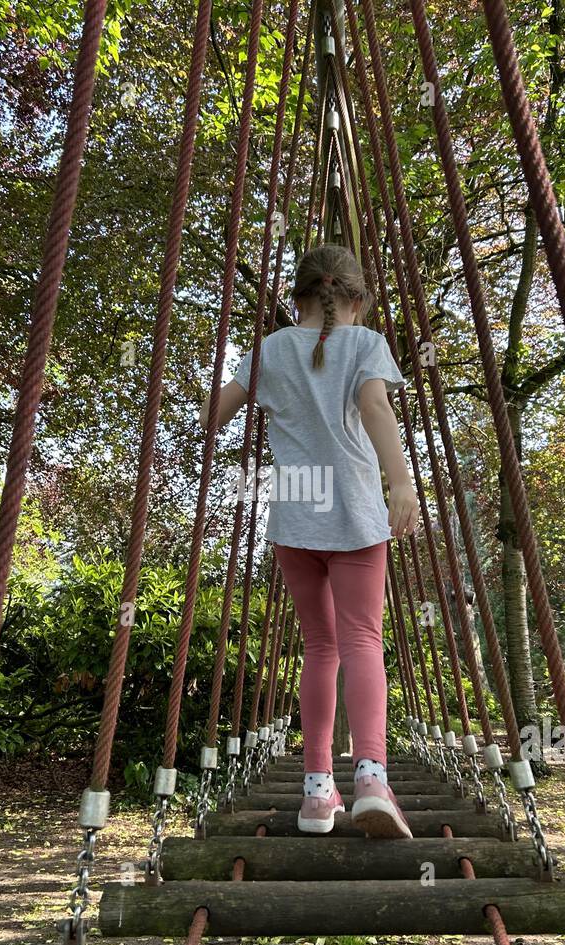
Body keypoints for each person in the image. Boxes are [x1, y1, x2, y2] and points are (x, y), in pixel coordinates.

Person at [199, 244, 421, 839]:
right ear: (355, 300)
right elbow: (374, 405)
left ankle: (318, 792)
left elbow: (211, 417)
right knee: (362, 639)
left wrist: (219, 368)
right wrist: (400, 481)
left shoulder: (269, 350)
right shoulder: (364, 342)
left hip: (295, 518)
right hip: (354, 511)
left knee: (320, 646)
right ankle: (371, 776)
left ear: (296, 297)